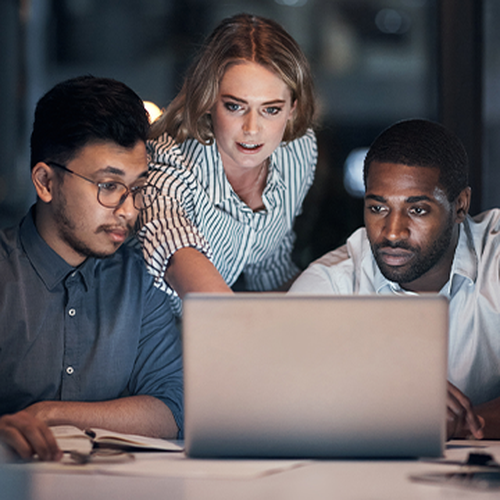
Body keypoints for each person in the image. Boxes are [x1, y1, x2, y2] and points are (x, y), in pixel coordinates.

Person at [0, 76, 183, 461]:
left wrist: (49, 415)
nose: (129, 210)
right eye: (108, 185)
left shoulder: (143, 278)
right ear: (46, 182)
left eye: (137, 188)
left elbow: (172, 406)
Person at [290, 118, 500, 440]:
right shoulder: (329, 286)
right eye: (377, 208)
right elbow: (282, 408)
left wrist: (462, 424)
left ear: (460, 206)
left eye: (417, 210)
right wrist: (385, 409)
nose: (391, 232)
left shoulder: (495, 260)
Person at [138, 13, 317, 316]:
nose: (252, 128)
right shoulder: (171, 162)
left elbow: (269, 268)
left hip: (220, 331)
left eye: (270, 110)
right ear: (209, 99)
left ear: (292, 109)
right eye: (235, 106)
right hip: (143, 337)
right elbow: (174, 248)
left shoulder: (296, 152)